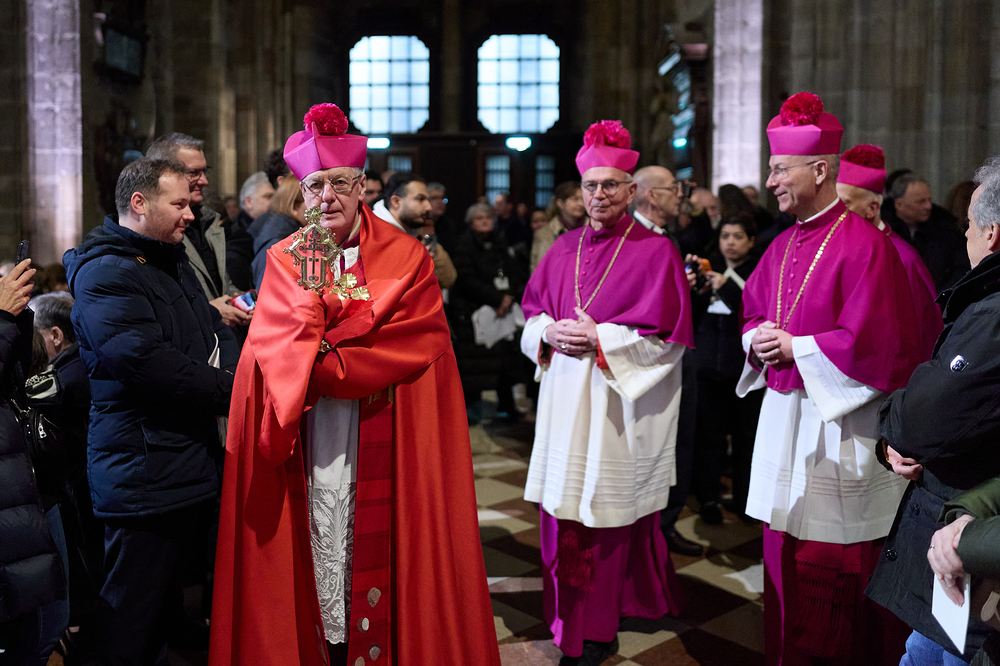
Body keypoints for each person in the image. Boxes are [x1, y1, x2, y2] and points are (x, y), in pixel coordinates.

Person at [208, 102, 500, 666]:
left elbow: (415, 342)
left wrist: (322, 351)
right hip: (311, 431)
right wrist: (322, 345)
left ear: (362, 186)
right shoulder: (290, 257)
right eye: (315, 185)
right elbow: (276, 349)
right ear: (301, 194)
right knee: (318, 557)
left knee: (385, 549)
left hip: (386, 424)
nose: (328, 197)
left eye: (340, 183)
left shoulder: (406, 256)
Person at [739, 92, 923, 665]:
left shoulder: (866, 246)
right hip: (784, 424)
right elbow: (752, 313)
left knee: (837, 563)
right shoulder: (780, 243)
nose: (770, 181)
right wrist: (756, 340)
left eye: (779, 169)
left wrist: (796, 347)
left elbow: (881, 346)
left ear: (819, 170)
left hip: (840, 429)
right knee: (783, 552)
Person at [521, 119, 692, 665]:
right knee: (561, 511)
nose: (599, 196)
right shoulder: (562, 246)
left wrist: (602, 338)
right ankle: (563, 617)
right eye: (590, 186)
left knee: (605, 515)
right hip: (563, 397)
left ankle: (597, 626)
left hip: (614, 405)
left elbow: (668, 340)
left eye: (610, 186)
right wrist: (547, 332)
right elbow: (532, 313)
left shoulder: (656, 251)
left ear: (631, 190)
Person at [63, 157, 239, 665]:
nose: (190, 213)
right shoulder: (106, 272)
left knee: (165, 610)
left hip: (181, 460)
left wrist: (235, 375)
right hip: (142, 467)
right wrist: (234, 391)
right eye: (179, 203)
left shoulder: (168, 259)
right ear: (139, 203)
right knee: (128, 616)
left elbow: (213, 331)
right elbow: (145, 363)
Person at [866, 155, 1000, 665]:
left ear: (991, 234)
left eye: (968, 224)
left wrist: (894, 426)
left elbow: (927, 416)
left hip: (972, 536)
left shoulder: (993, 312)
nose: (963, 234)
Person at [631, 164, 704, 557]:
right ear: (651, 195)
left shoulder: (668, 237)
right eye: (674, 188)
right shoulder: (630, 238)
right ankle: (646, 526)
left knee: (681, 439)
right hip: (644, 357)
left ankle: (667, 522)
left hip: (680, 353)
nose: (680, 195)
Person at [0, 259, 70, 666]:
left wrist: (19, 317)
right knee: (32, 632)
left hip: (27, 479)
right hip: (11, 489)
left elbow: (18, 372)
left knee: (49, 620)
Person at [836, 144, 943, 358]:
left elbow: (919, 335)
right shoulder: (834, 249)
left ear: (872, 208)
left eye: (844, 204)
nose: (835, 212)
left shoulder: (902, 258)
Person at [690, 212, 763, 525]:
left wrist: (729, 287)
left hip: (744, 371)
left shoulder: (759, 270)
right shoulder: (709, 268)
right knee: (709, 438)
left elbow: (759, 311)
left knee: (746, 439)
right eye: (725, 236)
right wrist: (698, 288)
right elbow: (691, 313)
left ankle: (745, 500)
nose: (730, 243)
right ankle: (708, 498)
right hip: (707, 368)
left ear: (751, 241)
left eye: (737, 237)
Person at [146, 133, 253, 330]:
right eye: (193, 173)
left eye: (204, 171)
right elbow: (158, 308)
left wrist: (238, 300)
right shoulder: (156, 232)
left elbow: (219, 284)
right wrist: (210, 312)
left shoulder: (207, 221)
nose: (204, 181)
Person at [451, 203, 530, 419]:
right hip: (474, 309)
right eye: (479, 218)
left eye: (488, 217)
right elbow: (466, 278)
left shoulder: (499, 241)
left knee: (506, 359)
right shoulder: (463, 244)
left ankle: (506, 404)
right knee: (474, 364)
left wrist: (508, 296)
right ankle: (472, 409)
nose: (485, 221)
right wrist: (495, 299)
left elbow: (514, 271)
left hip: (503, 309)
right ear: (471, 223)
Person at [884, 172, 970, 293]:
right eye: (921, 202)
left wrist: (942, 296)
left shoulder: (945, 229)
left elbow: (961, 268)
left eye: (929, 200)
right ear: (899, 204)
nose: (928, 206)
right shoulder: (883, 231)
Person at [373, 172, 457, 291]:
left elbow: (448, 279)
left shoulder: (416, 231)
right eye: (420, 199)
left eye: (428, 200)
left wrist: (430, 249)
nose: (428, 207)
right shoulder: (372, 233)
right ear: (396, 202)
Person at [250, 173, 307, 290]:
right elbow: (267, 294)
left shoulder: (283, 233)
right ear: (295, 206)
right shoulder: (279, 243)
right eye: (311, 200)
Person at [531, 181, 586, 273]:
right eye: (575, 199)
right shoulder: (545, 233)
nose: (581, 204)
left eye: (583, 199)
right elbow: (539, 271)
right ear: (560, 203)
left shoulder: (593, 229)